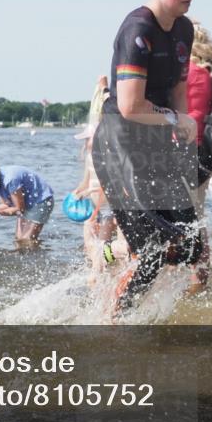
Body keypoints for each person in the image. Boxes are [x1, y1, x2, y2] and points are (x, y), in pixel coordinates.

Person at [91, 0, 203, 318]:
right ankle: (114, 322)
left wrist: (184, 123)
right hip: (120, 145)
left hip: (155, 142)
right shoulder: (138, 28)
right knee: (153, 249)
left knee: (189, 245)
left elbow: (177, 86)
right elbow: (129, 105)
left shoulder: (184, 29)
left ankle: (133, 294)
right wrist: (175, 119)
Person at [71, 76, 128, 276]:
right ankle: (102, 271)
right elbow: (85, 182)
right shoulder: (89, 158)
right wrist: (79, 191)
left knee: (111, 243)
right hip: (98, 208)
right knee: (94, 245)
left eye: (89, 140)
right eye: (85, 140)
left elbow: (109, 185)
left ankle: (113, 270)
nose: (86, 144)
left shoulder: (107, 154)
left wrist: (90, 193)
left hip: (109, 206)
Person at [185, 19, 212, 291]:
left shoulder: (186, 70)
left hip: (182, 150)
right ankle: (199, 279)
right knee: (197, 217)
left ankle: (192, 279)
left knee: (180, 220)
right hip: (206, 152)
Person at [0, 161, 55, 245]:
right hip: (27, 202)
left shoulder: (9, 180)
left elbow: (19, 209)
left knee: (27, 240)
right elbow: (7, 204)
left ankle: (38, 258)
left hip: (42, 200)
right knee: (19, 239)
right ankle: (33, 254)